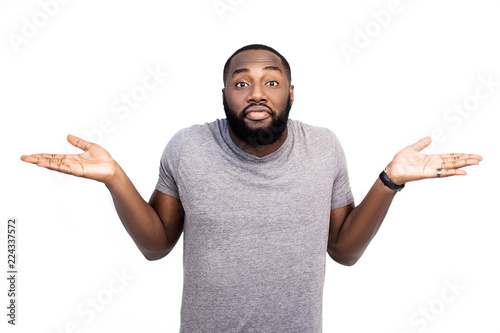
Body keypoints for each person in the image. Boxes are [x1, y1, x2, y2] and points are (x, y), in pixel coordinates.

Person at [20, 44, 482, 332]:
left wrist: (390, 181)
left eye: (271, 81)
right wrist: (115, 179)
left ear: (291, 93)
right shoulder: (188, 146)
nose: (256, 92)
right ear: (224, 94)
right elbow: (156, 245)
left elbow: (343, 251)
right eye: (241, 83)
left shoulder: (323, 147)